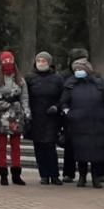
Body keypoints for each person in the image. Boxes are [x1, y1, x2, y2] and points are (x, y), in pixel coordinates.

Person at [61, 59, 104, 188]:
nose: (79, 72)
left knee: (97, 153)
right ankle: (82, 176)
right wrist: (68, 113)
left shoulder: (99, 84)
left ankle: (96, 177)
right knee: (80, 152)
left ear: (88, 70)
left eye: (81, 69)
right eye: (76, 70)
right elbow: (63, 102)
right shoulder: (70, 84)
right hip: (78, 125)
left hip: (97, 124)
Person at [0, 51, 30, 186]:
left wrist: (27, 112)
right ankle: (3, 174)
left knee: (16, 145)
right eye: (5, 61)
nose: (8, 64)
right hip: (1, 113)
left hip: (16, 114)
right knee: (1, 145)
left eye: (10, 61)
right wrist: (0, 97)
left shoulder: (19, 77)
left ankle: (16, 174)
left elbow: (24, 96)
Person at [25, 52, 65, 185]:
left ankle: (54, 174)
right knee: (39, 146)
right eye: (39, 60)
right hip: (36, 117)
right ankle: (43, 174)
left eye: (44, 61)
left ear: (49, 62)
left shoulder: (57, 79)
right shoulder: (30, 78)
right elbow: (26, 97)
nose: (41, 63)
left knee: (50, 146)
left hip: (52, 117)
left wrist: (57, 106)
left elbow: (63, 96)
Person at [60, 47, 91, 182]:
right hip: (71, 116)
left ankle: (97, 172)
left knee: (91, 144)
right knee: (70, 146)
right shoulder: (65, 77)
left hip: (89, 116)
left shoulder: (93, 76)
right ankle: (69, 172)